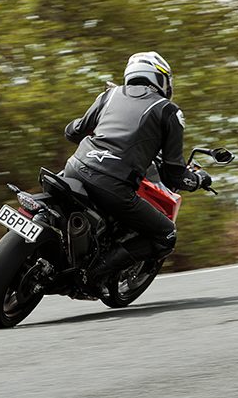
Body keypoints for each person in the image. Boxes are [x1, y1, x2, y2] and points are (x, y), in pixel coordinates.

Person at [62, 52, 212, 280]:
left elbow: (73, 132)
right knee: (166, 235)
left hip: (74, 168)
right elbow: (174, 175)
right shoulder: (169, 111)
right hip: (113, 185)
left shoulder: (109, 95)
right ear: (161, 79)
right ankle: (92, 274)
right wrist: (199, 179)